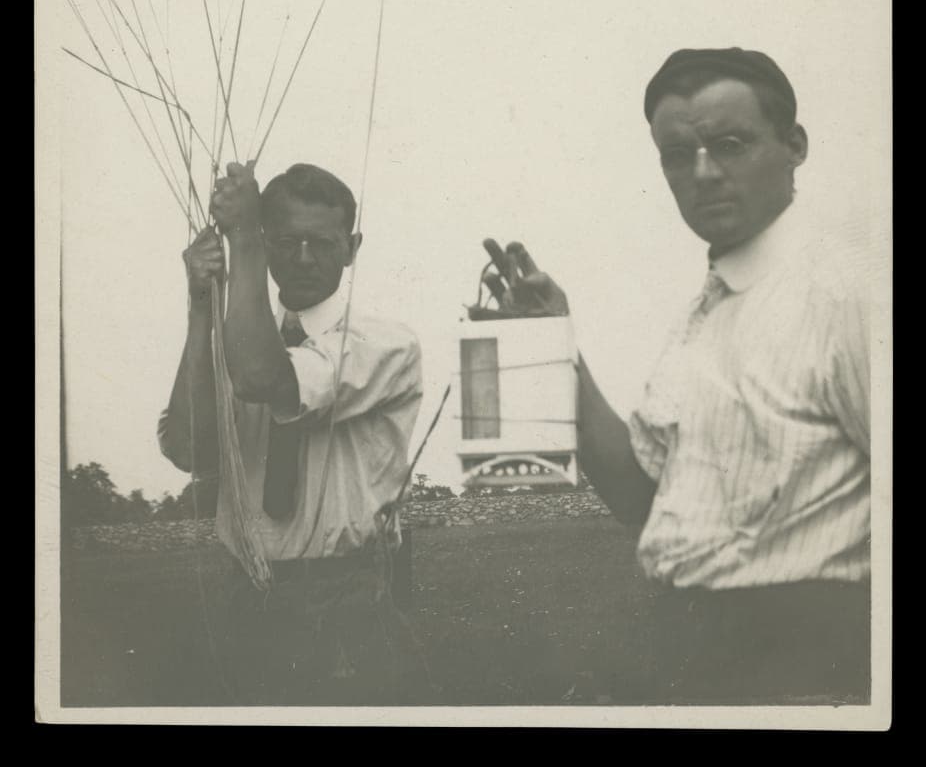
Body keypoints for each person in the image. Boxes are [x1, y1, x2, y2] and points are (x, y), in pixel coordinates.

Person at [486, 48, 872, 704]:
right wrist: (556, 343)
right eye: (675, 155)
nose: (703, 173)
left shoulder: (849, 295)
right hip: (691, 659)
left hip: (809, 671)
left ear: (794, 145)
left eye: (730, 145)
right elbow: (642, 497)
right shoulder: (707, 310)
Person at [158, 161, 426, 705]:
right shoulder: (239, 337)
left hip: (349, 601)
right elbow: (190, 448)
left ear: (351, 247)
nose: (304, 257)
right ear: (269, 241)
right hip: (245, 598)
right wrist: (203, 303)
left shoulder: (386, 345)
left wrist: (246, 246)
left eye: (321, 243)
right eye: (286, 241)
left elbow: (263, 376)